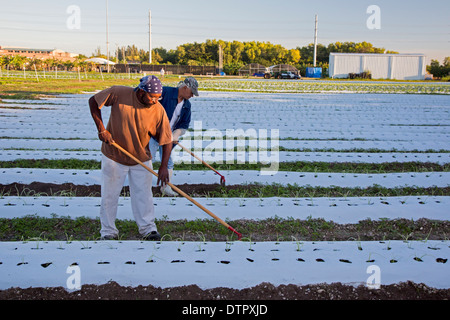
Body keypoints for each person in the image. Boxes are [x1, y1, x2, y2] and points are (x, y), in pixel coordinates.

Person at [89, 75, 172, 241]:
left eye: (158, 97)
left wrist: (163, 167)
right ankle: (108, 232)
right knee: (110, 195)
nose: (156, 101)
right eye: (152, 97)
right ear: (141, 92)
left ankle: (148, 229)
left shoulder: (158, 110)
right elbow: (93, 101)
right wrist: (102, 129)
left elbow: (167, 140)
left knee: (144, 195)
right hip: (114, 155)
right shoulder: (119, 93)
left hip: (141, 158)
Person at [149, 76, 199, 196]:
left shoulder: (187, 105)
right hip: (153, 134)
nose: (192, 96)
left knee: (168, 163)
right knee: (147, 159)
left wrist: (176, 134)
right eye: (192, 92)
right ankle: (143, 187)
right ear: (185, 88)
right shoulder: (165, 92)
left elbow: (184, 124)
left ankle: (165, 187)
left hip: (168, 137)